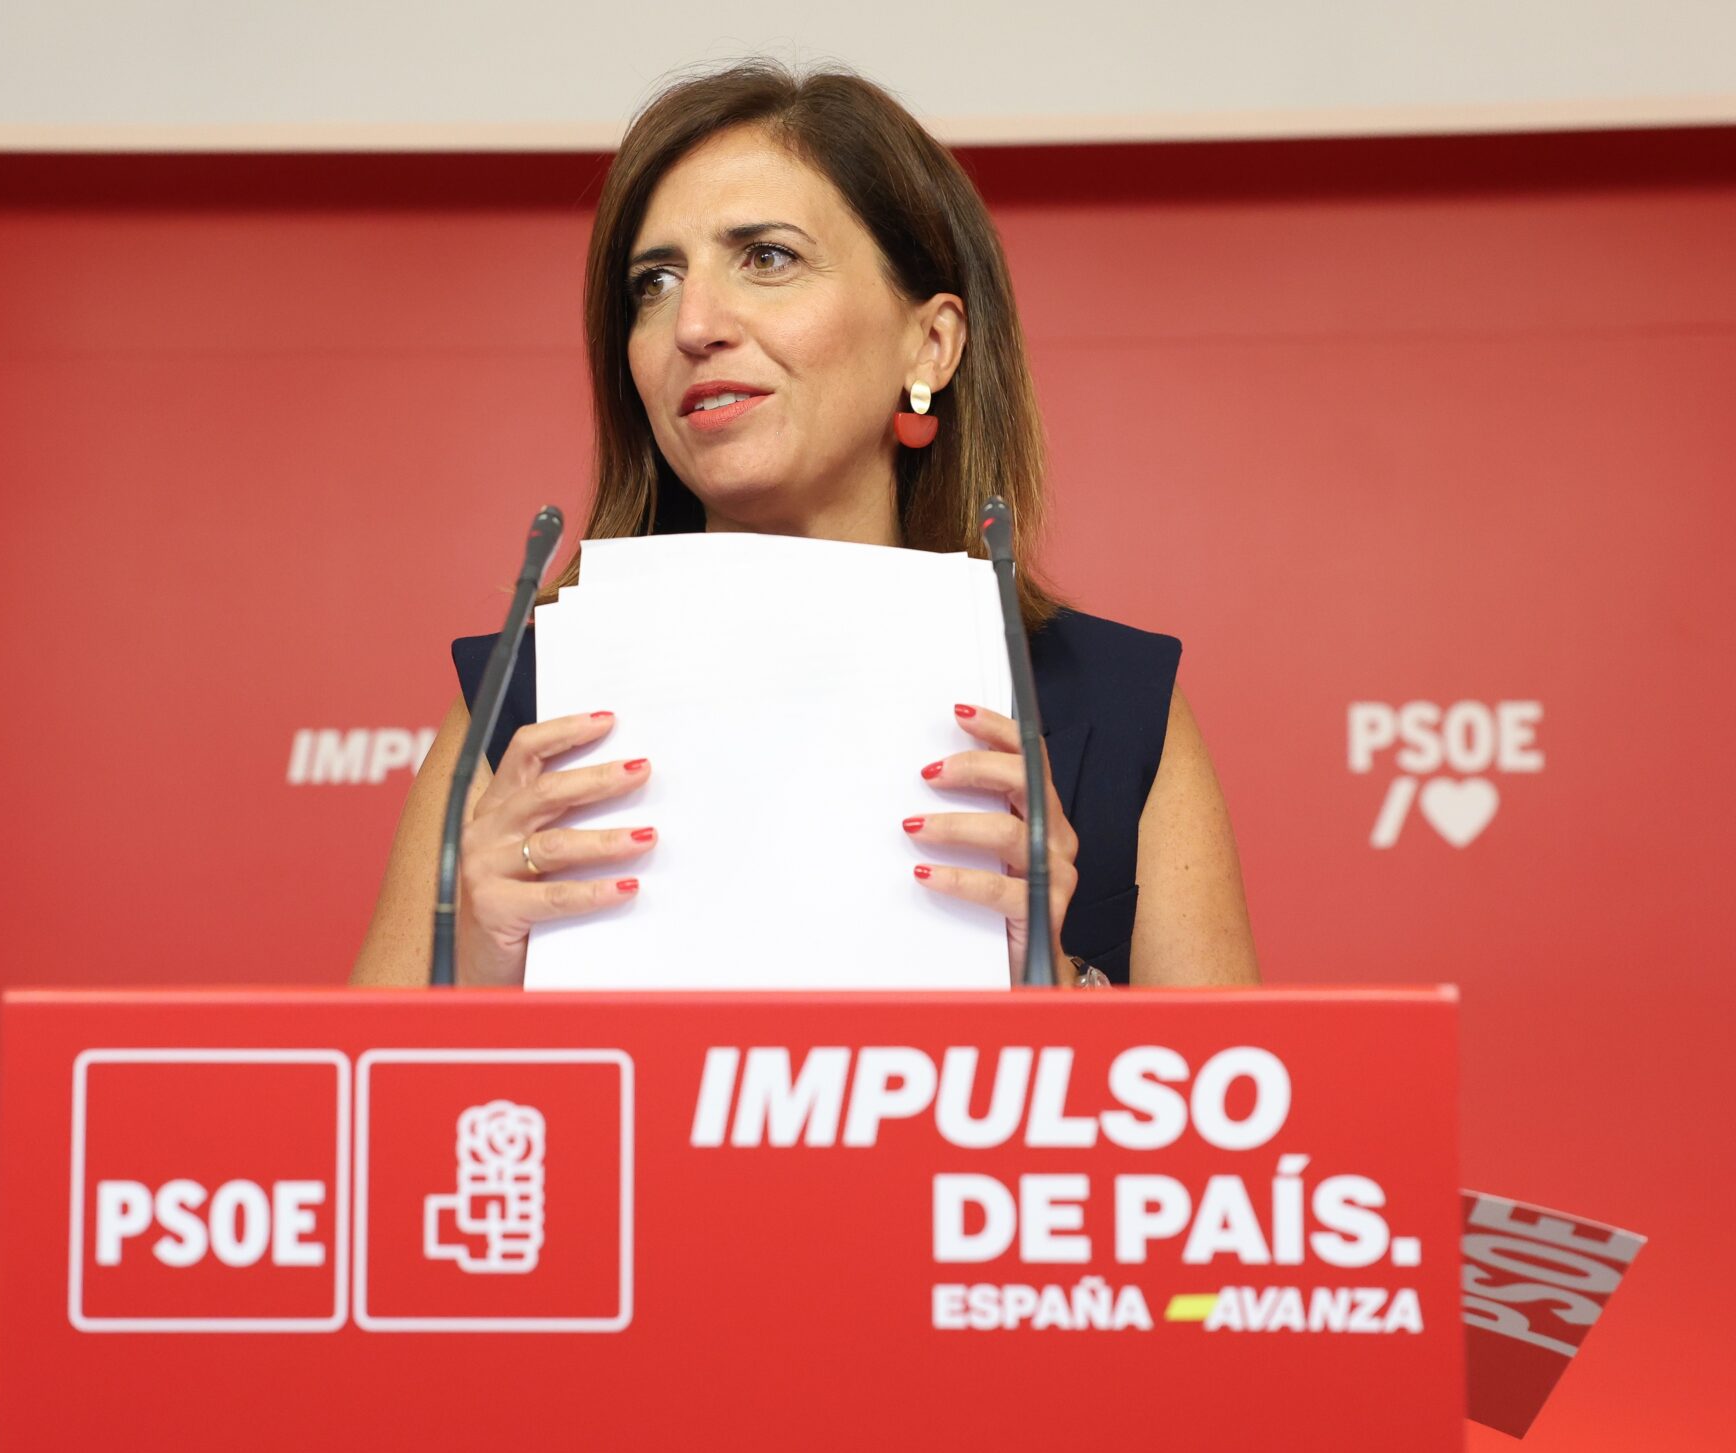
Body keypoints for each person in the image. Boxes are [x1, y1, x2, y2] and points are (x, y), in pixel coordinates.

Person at [353, 62, 1259, 990]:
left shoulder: (1117, 706)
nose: (693, 323)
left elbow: (1235, 1082)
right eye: (654, 282)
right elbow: (361, 1084)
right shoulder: (520, 704)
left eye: (767, 258)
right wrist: (476, 967)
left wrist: (1051, 980)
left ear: (930, 344)